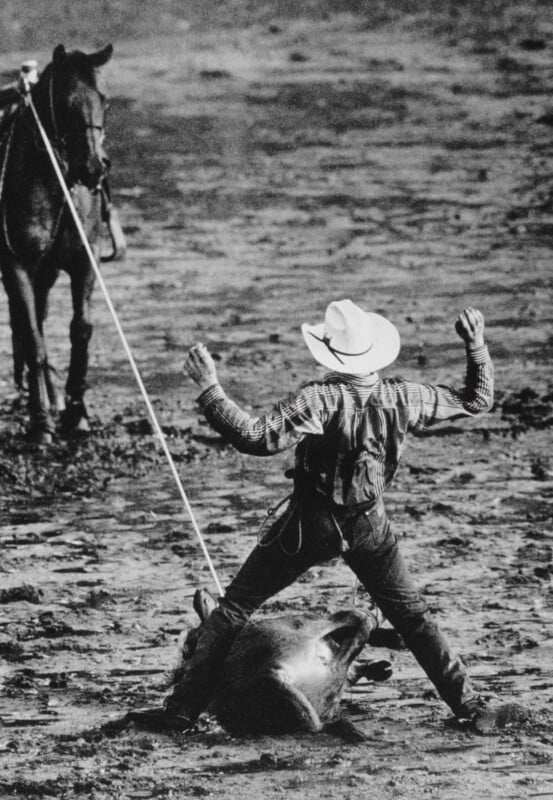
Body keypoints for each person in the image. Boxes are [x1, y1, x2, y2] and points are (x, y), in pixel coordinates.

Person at [160, 299, 512, 733]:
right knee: (413, 617)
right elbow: (478, 400)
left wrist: (210, 388)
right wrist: (476, 346)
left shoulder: (319, 400)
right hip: (368, 524)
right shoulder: (404, 396)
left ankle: (179, 712)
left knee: (233, 609)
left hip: (309, 524)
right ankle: (470, 706)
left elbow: (255, 437)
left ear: (330, 353)